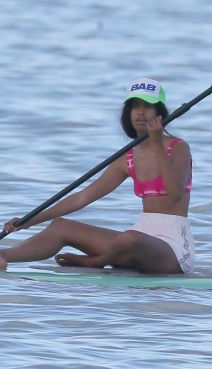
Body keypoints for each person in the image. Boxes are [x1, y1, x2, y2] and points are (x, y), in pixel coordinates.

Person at [0, 79, 195, 275]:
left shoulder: (178, 148)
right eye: (135, 106)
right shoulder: (126, 158)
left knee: (130, 238)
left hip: (173, 249)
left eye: (148, 106)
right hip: (135, 240)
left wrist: (156, 145)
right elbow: (82, 197)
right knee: (61, 226)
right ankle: (5, 255)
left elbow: (175, 193)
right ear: (128, 113)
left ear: (160, 113)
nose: (141, 112)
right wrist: (32, 220)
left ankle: (96, 262)